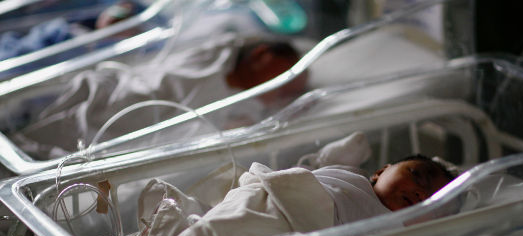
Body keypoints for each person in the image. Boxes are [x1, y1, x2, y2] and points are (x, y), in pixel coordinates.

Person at [137, 133, 456, 236]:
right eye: (417, 176)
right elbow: (312, 165)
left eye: (433, 198)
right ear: (381, 171)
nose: (419, 192)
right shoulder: (350, 173)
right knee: (216, 229)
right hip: (275, 197)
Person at [9, 35, 308, 159]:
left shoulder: (244, 105)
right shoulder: (218, 53)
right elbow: (168, 75)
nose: (285, 86)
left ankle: (25, 147)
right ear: (260, 53)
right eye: (287, 74)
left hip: (145, 128)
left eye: (292, 87)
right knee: (76, 118)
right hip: (128, 94)